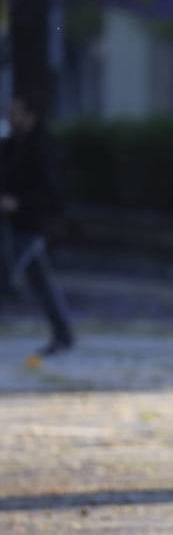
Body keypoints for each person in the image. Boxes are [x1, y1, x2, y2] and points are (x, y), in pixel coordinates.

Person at [0, 92, 75, 356]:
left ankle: (64, 334)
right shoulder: (10, 146)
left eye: (16, 111)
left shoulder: (42, 146)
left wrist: (19, 203)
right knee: (40, 280)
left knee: (7, 278)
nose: (11, 116)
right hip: (14, 225)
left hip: (34, 224)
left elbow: (52, 190)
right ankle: (64, 334)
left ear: (29, 115)